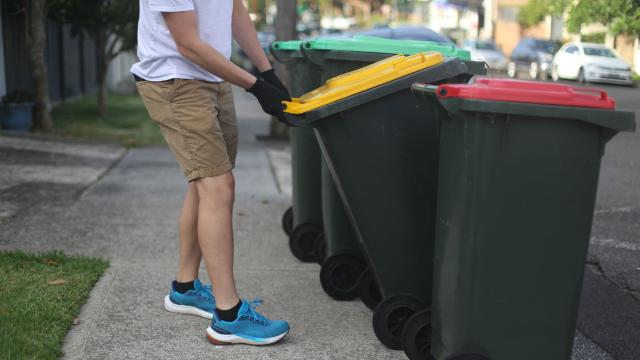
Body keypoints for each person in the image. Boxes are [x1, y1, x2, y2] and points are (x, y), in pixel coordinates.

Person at [131, 0, 291, 346]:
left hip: (212, 75)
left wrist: (267, 73)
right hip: (176, 80)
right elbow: (186, 43)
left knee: (205, 183)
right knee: (218, 186)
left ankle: (185, 288)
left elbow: (233, 7)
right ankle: (229, 316)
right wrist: (255, 86)